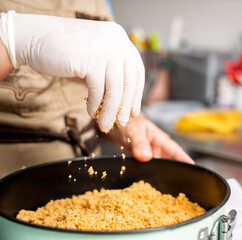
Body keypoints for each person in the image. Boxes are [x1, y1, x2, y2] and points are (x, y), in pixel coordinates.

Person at [0, 0, 193, 178]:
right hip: (11, 181)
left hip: (87, 179)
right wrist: (14, 40)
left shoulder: (101, 3)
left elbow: (92, 94)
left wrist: (127, 124)